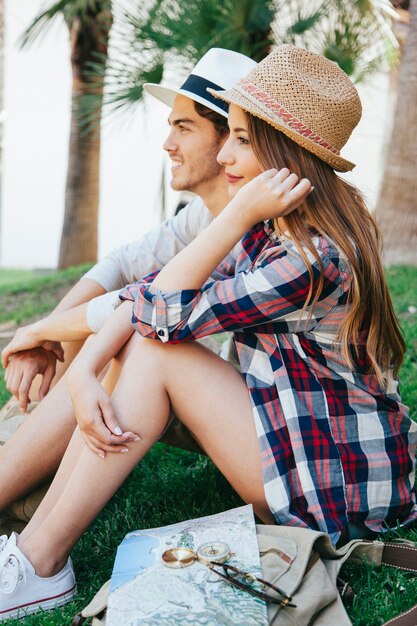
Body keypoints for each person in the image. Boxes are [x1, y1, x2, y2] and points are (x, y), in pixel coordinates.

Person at [1, 44, 416, 620]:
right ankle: (31, 556)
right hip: (295, 445)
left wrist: (235, 215)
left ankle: (42, 562)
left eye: (240, 138)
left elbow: (162, 315)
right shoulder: (277, 227)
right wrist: (87, 369)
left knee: (159, 349)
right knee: (148, 345)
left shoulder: (307, 256)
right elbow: (147, 292)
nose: (224, 153)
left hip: (334, 486)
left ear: (283, 149)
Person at [0, 48, 256, 534]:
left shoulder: (259, 225)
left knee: (134, 337)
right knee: (109, 332)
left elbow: (145, 306)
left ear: (229, 140)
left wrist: (39, 330)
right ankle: (24, 482)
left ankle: (26, 511)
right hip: (239, 406)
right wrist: (47, 336)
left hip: (273, 432)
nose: (167, 144)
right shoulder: (205, 215)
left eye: (183, 128)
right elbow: (121, 266)